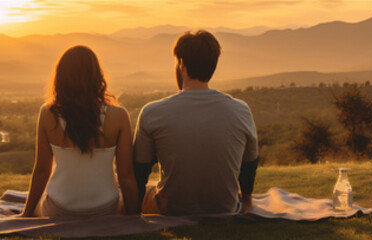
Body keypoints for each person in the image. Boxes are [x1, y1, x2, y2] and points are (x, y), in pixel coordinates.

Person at [133, 30, 260, 215]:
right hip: (225, 207)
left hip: (170, 209)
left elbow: (140, 169)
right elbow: (250, 162)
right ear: (213, 65)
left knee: (125, 187)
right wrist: (247, 202)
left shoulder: (152, 112)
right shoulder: (241, 110)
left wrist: (134, 215)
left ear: (181, 64)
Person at [21, 45, 141, 217]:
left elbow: (42, 170)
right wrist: (134, 217)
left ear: (60, 77)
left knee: (40, 209)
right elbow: (126, 175)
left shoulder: (48, 114)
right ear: (97, 76)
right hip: (105, 208)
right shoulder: (119, 116)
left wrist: (25, 214)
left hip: (59, 209)